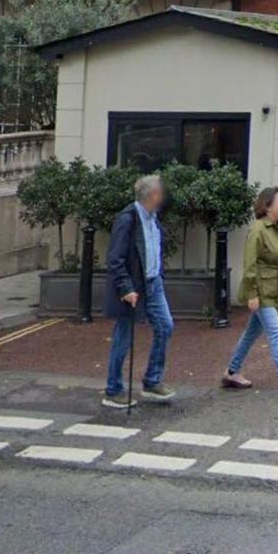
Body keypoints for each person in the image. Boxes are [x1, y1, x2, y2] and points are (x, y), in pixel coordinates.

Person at [221, 186, 278, 399]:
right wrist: (253, 294)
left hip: (273, 288)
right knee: (276, 331)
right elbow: (250, 263)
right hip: (261, 290)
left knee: (252, 332)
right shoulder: (258, 230)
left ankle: (231, 372)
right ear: (268, 206)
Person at [104, 173, 176, 408]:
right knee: (123, 338)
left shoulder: (152, 217)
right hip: (134, 285)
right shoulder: (128, 219)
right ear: (153, 195)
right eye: (160, 192)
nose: (162, 196)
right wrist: (126, 287)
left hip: (153, 283)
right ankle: (113, 389)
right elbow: (115, 258)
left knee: (165, 326)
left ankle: (152, 380)